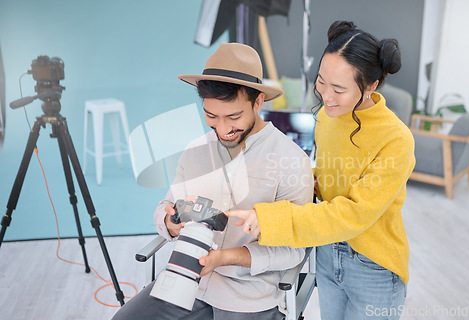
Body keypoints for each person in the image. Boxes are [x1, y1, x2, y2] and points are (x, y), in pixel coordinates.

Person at [226, 21, 416, 320]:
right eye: (321, 81)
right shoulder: (329, 117)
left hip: (374, 267)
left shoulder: (396, 139)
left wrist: (271, 219)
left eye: (339, 89)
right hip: (327, 251)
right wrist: (302, 181)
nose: (326, 96)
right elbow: (332, 180)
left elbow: (353, 214)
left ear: (371, 86)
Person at [112, 42, 314, 320]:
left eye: (234, 117)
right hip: (185, 282)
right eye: (211, 116)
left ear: (257, 102)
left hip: (248, 295)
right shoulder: (196, 150)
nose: (222, 129)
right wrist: (171, 223)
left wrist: (227, 257)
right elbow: (166, 207)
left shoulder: (291, 160)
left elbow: (293, 251)